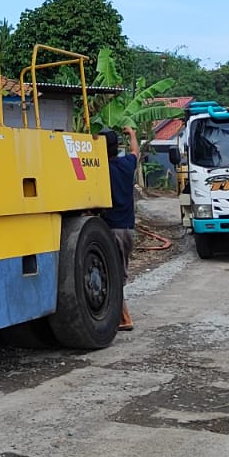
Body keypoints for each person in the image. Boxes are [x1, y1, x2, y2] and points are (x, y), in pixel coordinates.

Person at [104, 127, 138, 332]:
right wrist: (133, 134)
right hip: (128, 230)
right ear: (117, 147)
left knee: (114, 274)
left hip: (112, 229)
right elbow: (135, 152)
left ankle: (124, 318)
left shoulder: (101, 169)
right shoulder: (127, 165)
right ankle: (121, 316)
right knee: (119, 272)